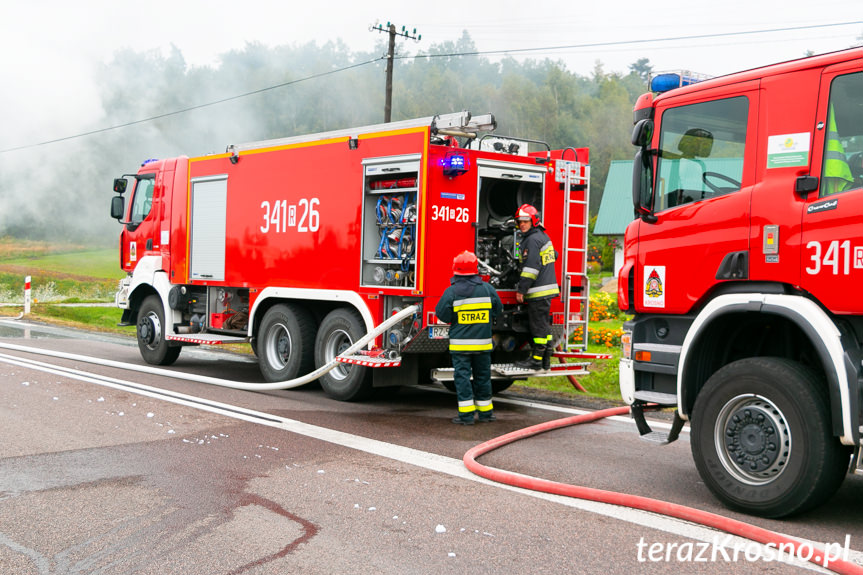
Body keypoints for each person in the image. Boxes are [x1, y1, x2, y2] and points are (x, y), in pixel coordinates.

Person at [435, 250, 503, 425]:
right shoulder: (488, 289)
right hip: (483, 346)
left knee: (463, 379)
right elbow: (498, 310)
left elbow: (442, 314)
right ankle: (486, 414)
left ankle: (466, 417)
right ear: (476, 269)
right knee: (483, 378)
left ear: (455, 270)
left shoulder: (451, 292)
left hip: (460, 347)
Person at [513, 204, 559, 371]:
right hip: (546, 289)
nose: (522, 225)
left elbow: (531, 268)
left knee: (538, 327)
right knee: (544, 326)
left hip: (538, 290)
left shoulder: (531, 240)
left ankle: (536, 361)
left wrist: (522, 290)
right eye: (519, 222)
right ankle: (546, 358)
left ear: (533, 221)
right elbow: (555, 255)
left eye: (525, 221)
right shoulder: (543, 237)